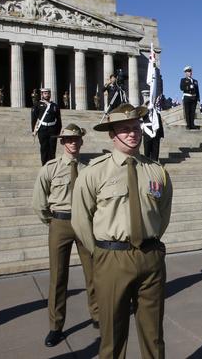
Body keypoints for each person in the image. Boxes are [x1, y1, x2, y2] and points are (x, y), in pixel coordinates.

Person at [72, 103, 173, 359]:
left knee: (154, 335)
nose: (132, 133)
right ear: (111, 134)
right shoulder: (94, 172)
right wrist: (101, 253)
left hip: (150, 256)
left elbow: (163, 213)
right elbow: (81, 219)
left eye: (136, 128)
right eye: (125, 129)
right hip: (112, 258)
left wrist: (152, 243)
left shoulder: (156, 171)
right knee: (113, 337)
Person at [32, 123, 99, 347]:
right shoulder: (49, 168)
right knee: (58, 277)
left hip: (84, 223)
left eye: (76, 139)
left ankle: (98, 316)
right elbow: (39, 203)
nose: (72, 142)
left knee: (93, 273)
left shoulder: (89, 168)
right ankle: (56, 326)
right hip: (60, 222)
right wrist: (52, 222)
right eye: (68, 139)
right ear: (62, 142)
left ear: (81, 141)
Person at [31, 88, 62, 165]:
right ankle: (44, 165)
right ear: (42, 95)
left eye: (48, 93)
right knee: (44, 148)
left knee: (52, 148)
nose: (47, 95)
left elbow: (58, 119)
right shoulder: (37, 105)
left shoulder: (54, 106)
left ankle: (52, 165)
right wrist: (33, 130)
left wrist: (58, 131)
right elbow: (34, 119)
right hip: (42, 129)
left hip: (52, 129)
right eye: (45, 93)